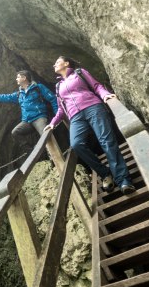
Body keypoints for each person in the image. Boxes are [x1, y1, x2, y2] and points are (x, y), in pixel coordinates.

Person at [44, 56, 136, 195]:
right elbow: (61, 109)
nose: (54, 65)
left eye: (57, 62)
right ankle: (105, 173)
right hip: (75, 117)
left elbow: (96, 86)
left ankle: (124, 180)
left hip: (93, 107)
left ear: (67, 63)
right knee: (76, 145)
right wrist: (52, 123)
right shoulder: (58, 86)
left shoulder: (79, 73)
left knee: (107, 141)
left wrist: (105, 95)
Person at [0, 70, 58, 142]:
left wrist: (57, 115)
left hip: (39, 117)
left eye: (18, 77)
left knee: (46, 137)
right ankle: (31, 150)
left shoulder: (38, 87)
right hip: (26, 121)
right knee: (15, 132)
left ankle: (56, 156)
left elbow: (53, 99)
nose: (16, 79)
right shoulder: (19, 94)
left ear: (24, 78)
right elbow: (5, 97)